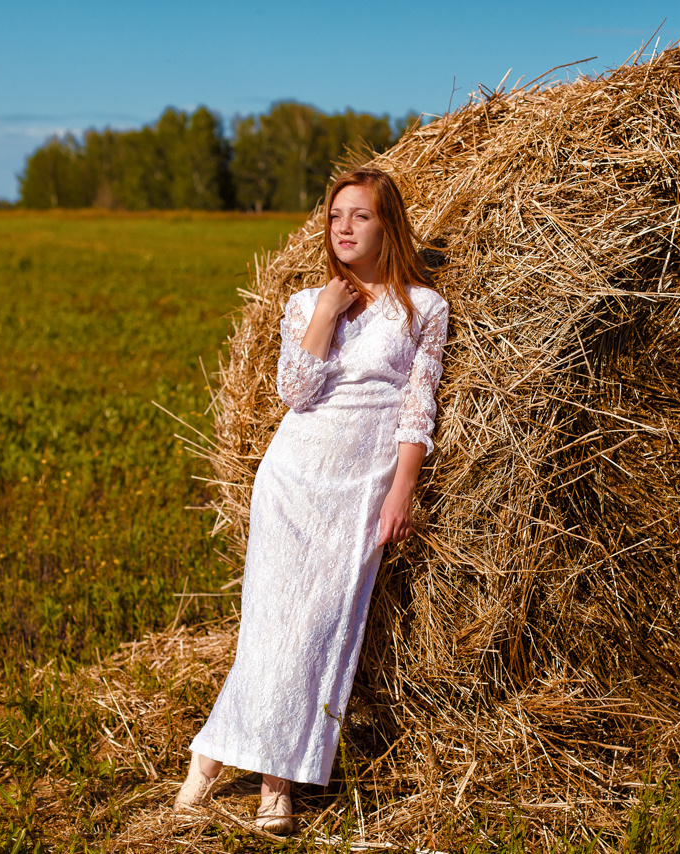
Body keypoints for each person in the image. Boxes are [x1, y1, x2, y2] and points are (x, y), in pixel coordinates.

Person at [173, 168, 449, 835]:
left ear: (388, 225)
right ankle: (247, 777)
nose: (344, 228)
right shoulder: (305, 303)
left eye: (360, 216)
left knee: (318, 632)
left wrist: (402, 490)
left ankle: (245, 769)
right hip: (292, 480)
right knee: (269, 629)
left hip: (359, 488)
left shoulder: (424, 308)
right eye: (334, 217)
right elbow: (295, 392)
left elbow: (419, 408)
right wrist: (326, 313)